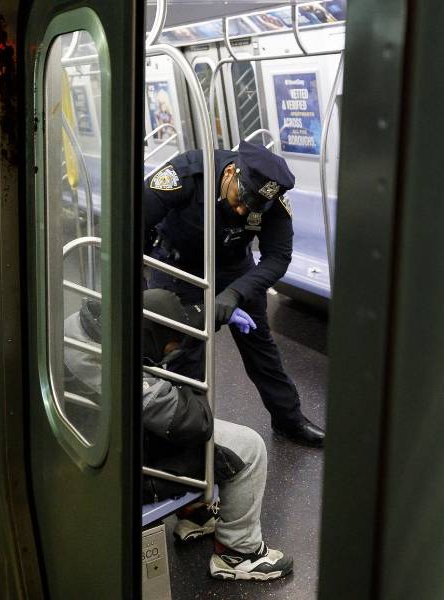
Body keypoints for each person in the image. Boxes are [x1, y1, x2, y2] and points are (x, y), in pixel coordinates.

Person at [63, 289, 293, 581]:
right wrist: (189, 384)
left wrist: (212, 313)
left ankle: (195, 513)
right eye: (169, 348)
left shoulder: (86, 324)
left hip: (92, 437)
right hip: (118, 467)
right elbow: (194, 422)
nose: (172, 353)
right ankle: (239, 554)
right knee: (248, 447)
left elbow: (168, 320)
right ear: (153, 339)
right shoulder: (111, 371)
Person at [143, 141, 325, 447]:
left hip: (233, 267)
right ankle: (185, 433)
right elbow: (134, 219)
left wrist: (235, 293)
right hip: (178, 267)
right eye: (240, 201)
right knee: (185, 353)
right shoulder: (186, 174)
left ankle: (288, 419)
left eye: (251, 208)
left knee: (261, 346)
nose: (242, 210)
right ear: (230, 172)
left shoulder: (272, 200)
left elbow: (278, 256)